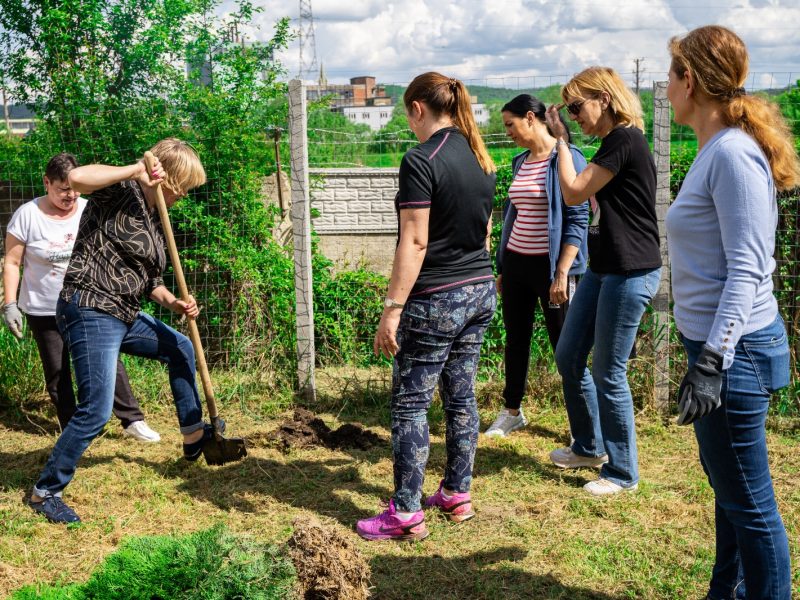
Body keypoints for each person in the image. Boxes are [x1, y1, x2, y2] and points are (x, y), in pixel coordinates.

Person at [666, 25, 799, 600]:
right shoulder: (715, 148)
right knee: (732, 494)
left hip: (736, 353)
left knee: (751, 504)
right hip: (723, 350)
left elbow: (749, 268)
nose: (667, 88)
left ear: (689, 80)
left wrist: (713, 358)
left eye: (671, 75)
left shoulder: (735, 155)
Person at [27, 138, 214, 524]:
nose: (183, 195)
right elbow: (76, 178)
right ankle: (45, 492)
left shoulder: (156, 215)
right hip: (90, 307)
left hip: (124, 313)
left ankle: (194, 436)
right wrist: (134, 169)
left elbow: (150, 283)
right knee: (95, 411)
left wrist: (173, 303)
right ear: (169, 178)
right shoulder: (122, 190)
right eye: (183, 186)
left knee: (178, 347)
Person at [356, 73, 497, 541]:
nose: (408, 123)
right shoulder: (481, 157)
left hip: (436, 299)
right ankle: (457, 493)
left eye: (406, 114)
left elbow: (414, 241)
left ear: (418, 108)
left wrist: (392, 309)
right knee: (462, 397)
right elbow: (484, 231)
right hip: (479, 290)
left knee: (411, 404)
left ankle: (406, 512)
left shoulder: (421, 160)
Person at [543, 67, 662, 496]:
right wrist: (566, 142)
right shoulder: (612, 143)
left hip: (631, 272)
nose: (574, 116)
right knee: (569, 354)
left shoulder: (623, 139)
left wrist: (560, 144)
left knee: (607, 372)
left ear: (604, 99)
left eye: (577, 106)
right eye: (569, 110)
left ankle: (623, 472)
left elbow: (574, 192)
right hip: (604, 268)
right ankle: (590, 447)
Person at [3, 153, 160, 442]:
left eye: (74, 189)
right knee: (58, 372)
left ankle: (132, 420)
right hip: (44, 309)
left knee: (107, 361)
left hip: (87, 303)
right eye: (63, 189)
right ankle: (74, 427)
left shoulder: (91, 207)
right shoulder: (27, 215)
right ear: (46, 183)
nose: (71, 195)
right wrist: (9, 304)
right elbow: (12, 263)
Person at [486, 94, 589, 438]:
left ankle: (580, 427)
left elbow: (577, 217)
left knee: (566, 346)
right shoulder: (519, 161)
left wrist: (563, 271)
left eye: (510, 125)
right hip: (516, 266)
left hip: (551, 271)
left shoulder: (567, 157)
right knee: (516, 340)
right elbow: (514, 215)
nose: (508, 133)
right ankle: (512, 411)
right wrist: (503, 265)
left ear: (531, 118)